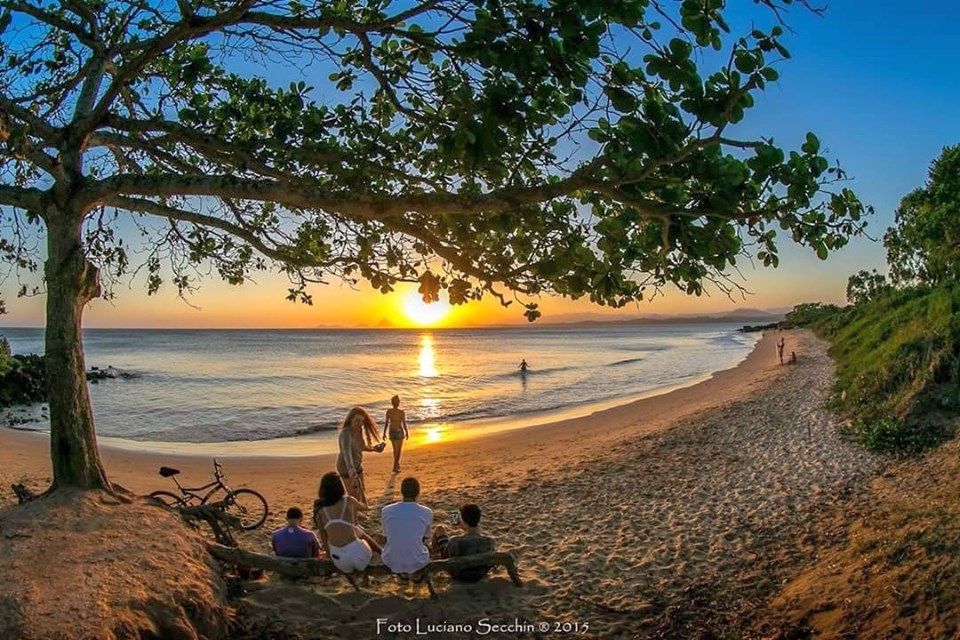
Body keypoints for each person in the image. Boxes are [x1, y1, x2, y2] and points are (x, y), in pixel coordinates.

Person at [313, 472, 376, 573]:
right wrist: (359, 489)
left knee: (353, 531)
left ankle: (351, 576)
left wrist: (329, 556)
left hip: (340, 562)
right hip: (360, 557)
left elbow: (324, 539)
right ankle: (381, 551)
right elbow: (365, 507)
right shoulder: (348, 501)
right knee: (359, 532)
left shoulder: (319, 510)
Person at [381, 477, 433, 575]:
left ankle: (403, 574)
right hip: (418, 561)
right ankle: (417, 576)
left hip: (392, 560)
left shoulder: (386, 510)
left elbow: (386, 535)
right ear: (418, 493)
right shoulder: (427, 512)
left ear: (401, 492)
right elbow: (426, 536)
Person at [432, 504, 496, 582]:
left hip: (459, 574)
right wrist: (463, 525)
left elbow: (446, 558)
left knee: (440, 529)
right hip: (480, 573)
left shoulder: (455, 541)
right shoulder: (490, 541)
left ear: (463, 520)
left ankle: (432, 553)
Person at [336, 406, 385, 506]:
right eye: (357, 421)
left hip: (357, 465)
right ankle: (355, 516)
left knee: (361, 489)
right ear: (351, 419)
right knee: (354, 495)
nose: (360, 424)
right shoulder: (346, 433)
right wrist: (351, 470)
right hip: (346, 467)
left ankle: (364, 511)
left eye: (362, 421)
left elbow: (361, 447)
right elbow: (347, 453)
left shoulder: (358, 430)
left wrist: (374, 449)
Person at [382, 395, 409, 474]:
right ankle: (394, 467)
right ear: (398, 403)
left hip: (392, 431)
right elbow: (403, 423)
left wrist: (384, 433)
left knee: (395, 450)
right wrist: (406, 432)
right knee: (398, 451)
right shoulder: (401, 412)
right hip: (399, 431)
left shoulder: (389, 411)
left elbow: (386, 423)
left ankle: (396, 465)